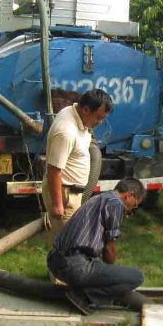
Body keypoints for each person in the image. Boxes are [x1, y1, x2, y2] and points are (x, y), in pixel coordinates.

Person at [47, 177, 149, 313]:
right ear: (129, 195)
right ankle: (84, 297)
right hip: (74, 266)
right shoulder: (116, 203)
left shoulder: (100, 199)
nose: (131, 210)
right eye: (135, 204)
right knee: (137, 276)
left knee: (103, 271)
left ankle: (83, 292)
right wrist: (111, 277)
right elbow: (109, 249)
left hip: (56, 260)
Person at [41, 89, 113, 243]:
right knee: (67, 244)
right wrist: (57, 205)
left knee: (71, 243)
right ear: (86, 109)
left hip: (73, 193)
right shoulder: (66, 131)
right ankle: (59, 267)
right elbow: (54, 170)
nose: (99, 122)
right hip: (64, 194)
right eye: (99, 117)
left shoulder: (77, 114)